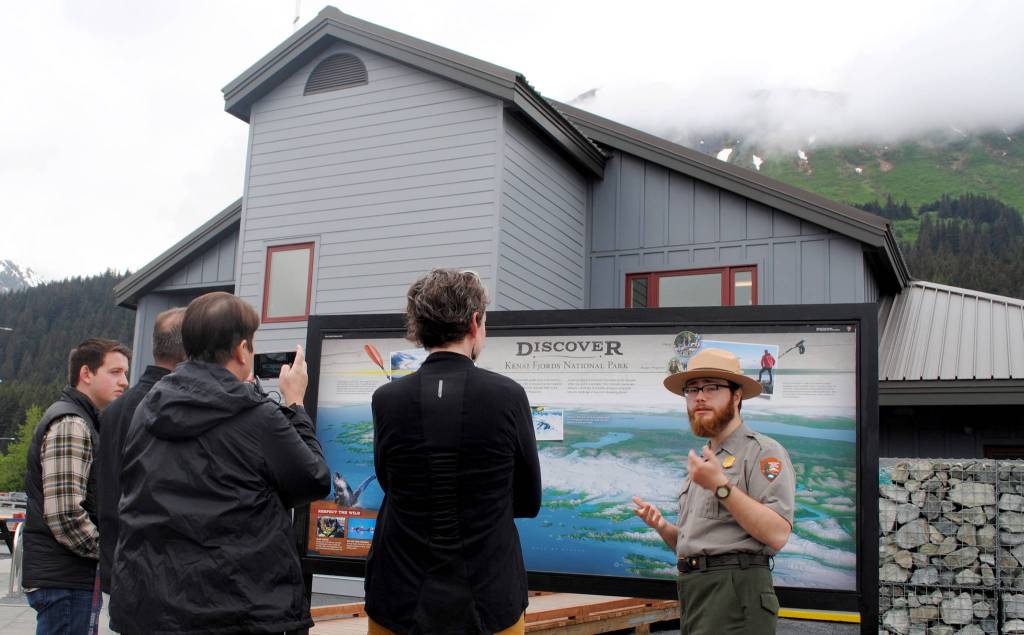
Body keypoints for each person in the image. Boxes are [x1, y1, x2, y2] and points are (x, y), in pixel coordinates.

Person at [109, 291, 331, 634]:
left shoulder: (147, 408)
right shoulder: (258, 417)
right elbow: (313, 479)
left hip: (150, 607)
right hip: (236, 610)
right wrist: (296, 404)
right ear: (242, 349)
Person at [365, 268, 542, 634]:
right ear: (475, 323)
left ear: (420, 327)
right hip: (490, 598)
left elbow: (389, 483)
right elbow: (528, 499)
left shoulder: (386, 399)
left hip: (399, 595)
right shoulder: (508, 396)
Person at [632, 348, 795, 634]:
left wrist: (721, 487)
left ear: (736, 395)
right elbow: (701, 546)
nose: (699, 397)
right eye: (692, 389)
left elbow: (777, 534)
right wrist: (662, 527)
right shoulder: (708, 459)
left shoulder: (762, 452)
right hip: (696, 593)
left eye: (711, 387)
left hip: (735, 593)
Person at [23, 338, 131, 634]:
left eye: (125, 373)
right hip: (65, 581)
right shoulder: (71, 422)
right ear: (86, 374)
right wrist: (111, 553)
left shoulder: (83, 419)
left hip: (67, 579)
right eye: (115, 372)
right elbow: (66, 515)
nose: (124, 381)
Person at [97, 307, 186, 598]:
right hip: (166, 575)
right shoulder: (177, 407)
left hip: (120, 567)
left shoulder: (113, 410)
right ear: (189, 350)